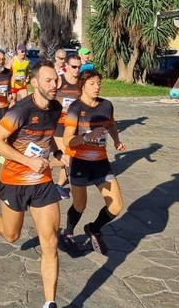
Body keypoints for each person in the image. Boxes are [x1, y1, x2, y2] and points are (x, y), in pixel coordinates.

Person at [0, 60, 64, 308]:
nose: (54, 84)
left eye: (56, 79)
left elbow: (48, 139)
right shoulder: (21, 111)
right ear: (34, 82)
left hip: (43, 183)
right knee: (12, 235)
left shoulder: (56, 109)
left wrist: (59, 156)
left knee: (51, 243)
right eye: (48, 80)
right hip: (14, 181)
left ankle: (49, 302)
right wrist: (28, 161)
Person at [60, 69, 126, 256]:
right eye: (92, 83)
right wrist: (87, 136)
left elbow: (111, 124)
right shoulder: (75, 108)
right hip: (79, 163)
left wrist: (116, 141)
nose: (97, 87)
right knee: (80, 205)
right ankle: (68, 232)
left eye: (99, 83)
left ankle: (94, 228)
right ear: (82, 85)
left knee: (116, 206)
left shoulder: (106, 105)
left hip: (101, 163)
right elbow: (67, 140)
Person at [53, 53, 83, 200]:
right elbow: (47, 95)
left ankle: (58, 185)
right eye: (74, 67)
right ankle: (38, 170)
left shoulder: (81, 83)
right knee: (66, 156)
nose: (76, 70)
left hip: (74, 126)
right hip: (59, 124)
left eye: (79, 67)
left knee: (70, 156)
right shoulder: (59, 80)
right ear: (66, 66)